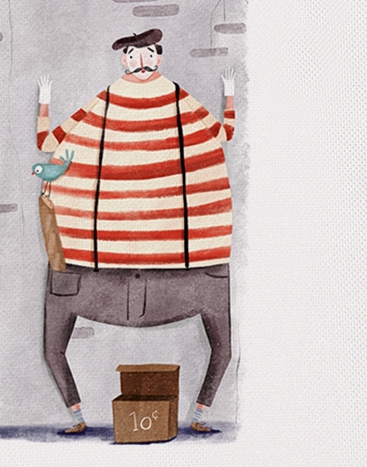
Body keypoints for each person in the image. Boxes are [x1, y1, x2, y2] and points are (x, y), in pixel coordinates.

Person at [37, 29, 237, 433]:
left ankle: (197, 414)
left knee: (223, 348)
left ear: (158, 58)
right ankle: (79, 417)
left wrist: (230, 96)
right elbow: (48, 142)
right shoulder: (105, 101)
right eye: (132, 54)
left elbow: (221, 134)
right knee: (54, 348)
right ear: (123, 61)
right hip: (100, 249)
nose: (140, 61)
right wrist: (43, 102)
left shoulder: (178, 99)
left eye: (146, 54)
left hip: (186, 247)